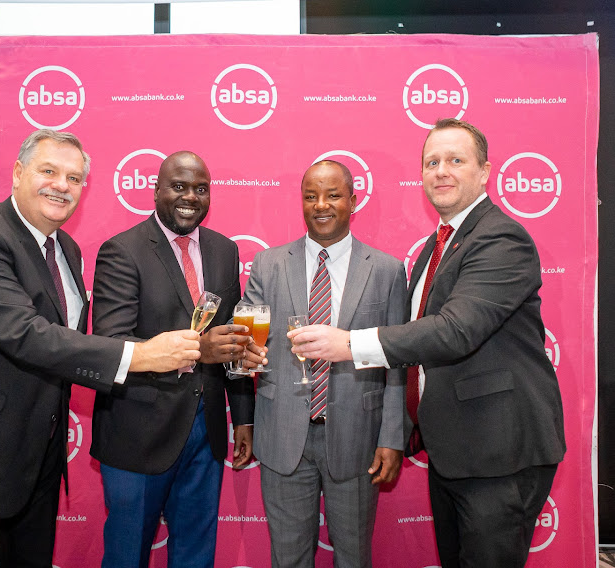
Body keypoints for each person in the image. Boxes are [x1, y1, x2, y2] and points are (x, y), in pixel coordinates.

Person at [0, 130, 200, 568]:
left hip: (36, 452)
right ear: (19, 173)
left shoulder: (67, 250)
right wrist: (140, 355)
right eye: (49, 171)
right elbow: (26, 333)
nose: (62, 185)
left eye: (74, 178)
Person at [289, 119, 566, 568]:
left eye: (456, 160)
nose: (442, 171)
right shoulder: (435, 248)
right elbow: (417, 351)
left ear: (485, 172)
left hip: (499, 455)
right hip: (455, 450)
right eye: (432, 162)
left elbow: (455, 331)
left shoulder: (501, 238)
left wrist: (349, 344)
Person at [90, 151, 256, 568]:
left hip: (207, 429)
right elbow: (113, 343)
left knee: (196, 555)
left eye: (201, 189)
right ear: (156, 191)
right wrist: (198, 349)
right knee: (128, 554)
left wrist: (244, 417)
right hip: (138, 431)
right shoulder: (122, 251)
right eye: (178, 187)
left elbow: (232, 341)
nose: (190, 197)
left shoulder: (224, 249)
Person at [240, 160, 408, 567]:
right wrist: (242, 352)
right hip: (282, 437)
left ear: (352, 201)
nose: (321, 205)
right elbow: (247, 337)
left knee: (353, 557)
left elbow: (397, 361)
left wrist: (392, 436)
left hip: (357, 438)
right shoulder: (268, 264)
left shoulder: (386, 271)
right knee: (289, 558)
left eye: (333, 195)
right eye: (311, 196)